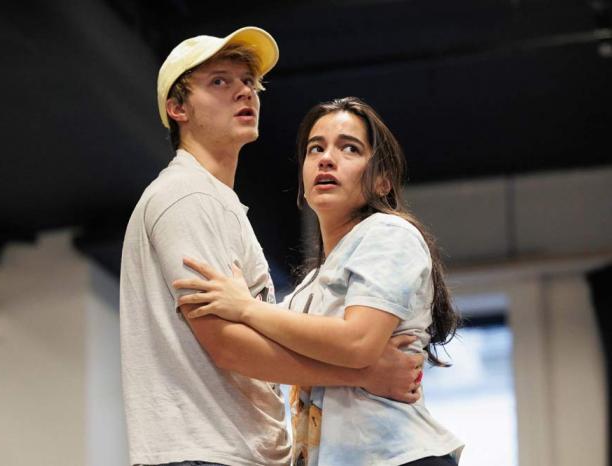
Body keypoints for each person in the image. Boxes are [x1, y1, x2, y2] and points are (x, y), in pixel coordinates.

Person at [120, 28, 425, 466]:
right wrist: (364, 374)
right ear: (177, 108)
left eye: (249, 82)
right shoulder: (187, 196)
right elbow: (226, 345)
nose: (244, 91)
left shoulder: (219, 203)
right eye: (220, 81)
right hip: (207, 451)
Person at [173, 97, 465, 465]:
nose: (327, 158)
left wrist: (246, 308)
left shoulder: (389, 233)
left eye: (349, 148)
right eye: (316, 148)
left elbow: (358, 341)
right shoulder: (304, 292)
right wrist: (368, 374)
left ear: (381, 180)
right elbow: (261, 360)